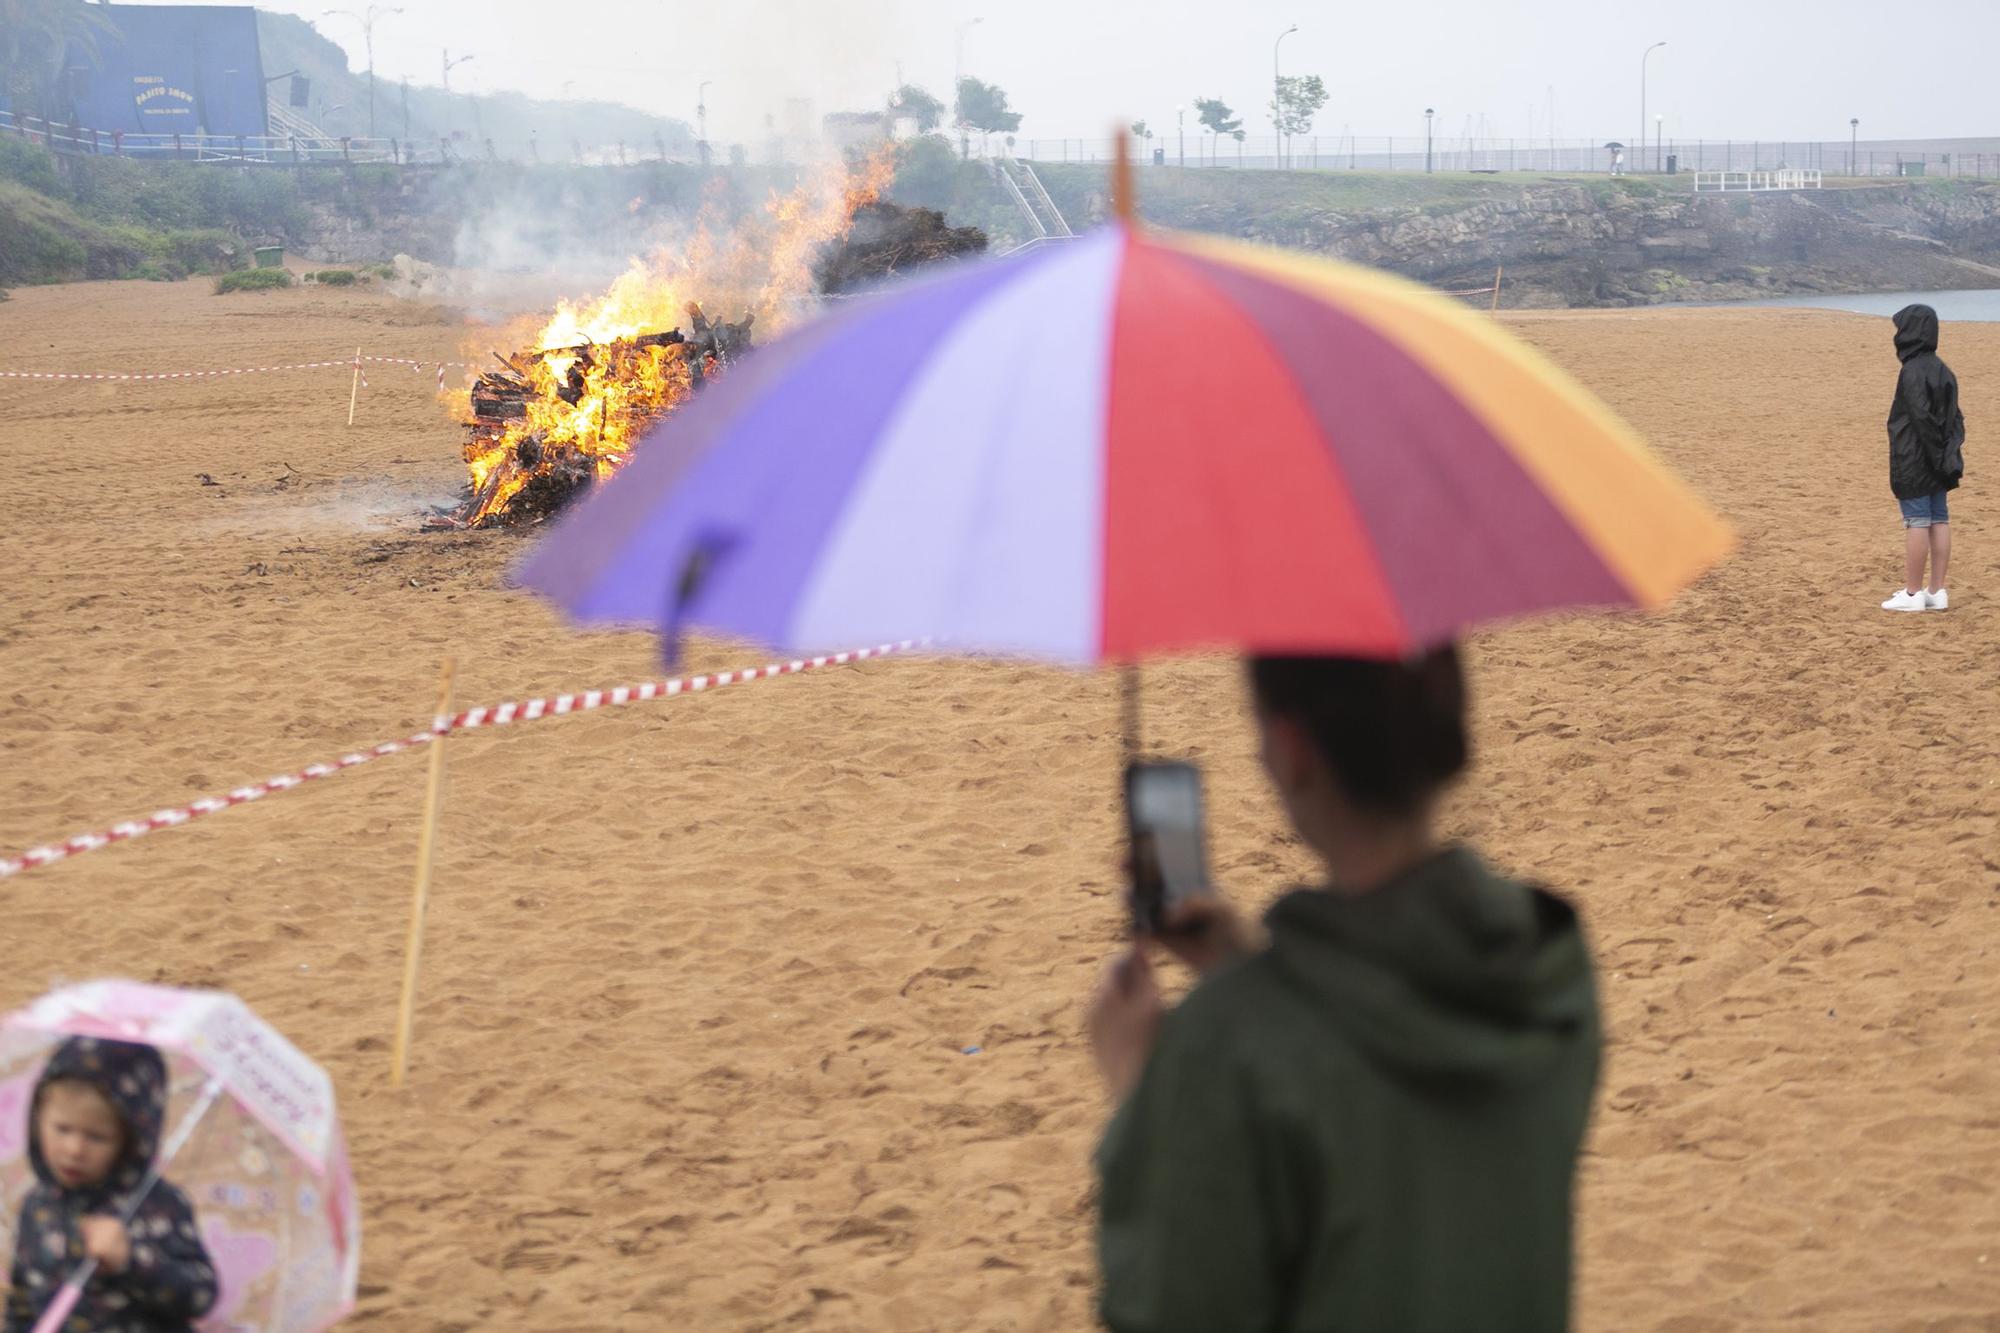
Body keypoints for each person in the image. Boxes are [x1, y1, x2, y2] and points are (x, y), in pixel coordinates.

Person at [1089, 649, 1600, 1331]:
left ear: (1292, 750)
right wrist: (1250, 969)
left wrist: (1139, 1088)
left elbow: (1170, 1305)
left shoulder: (1229, 1051)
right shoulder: (1548, 969)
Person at [4, 1038, 218, 1333]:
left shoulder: (157, 1204)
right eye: (62, 1128)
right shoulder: (37, 1206)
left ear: (130, 1140)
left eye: (96, 1137)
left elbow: (200, 1295)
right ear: (38, 1119)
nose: (75, 1149)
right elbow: (22, 1299)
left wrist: (130, 1260)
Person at [1881, 303, 1965, 612]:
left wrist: (1935, 457)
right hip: (1941, 459)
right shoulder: (1944, 369)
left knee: (1917, 521)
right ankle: (1936, 591)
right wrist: (1948, 457)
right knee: (1939, 520)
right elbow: (1955, 419)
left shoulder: (1912, 371)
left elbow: (1921, 418)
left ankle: (1914, 594)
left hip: (1917, 460)